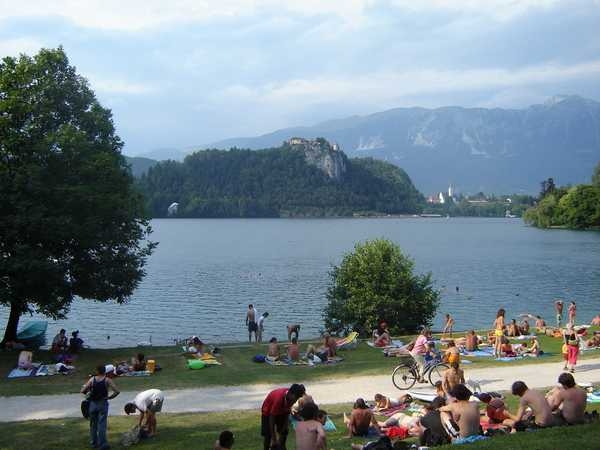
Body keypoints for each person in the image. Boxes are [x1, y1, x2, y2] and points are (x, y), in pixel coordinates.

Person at [81, 365, 120, 450]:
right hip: (102, 403)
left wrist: (89, 392)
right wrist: (109, 397)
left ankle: (94, 443)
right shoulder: (107, 380)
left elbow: (83, 391)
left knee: (93, 425)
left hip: (93, 404)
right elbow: (117, 391)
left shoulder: (92, 379)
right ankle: (102, 444)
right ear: (104, 371)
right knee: (102, 424)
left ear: (97, 371)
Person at [260, 383, 305, 450]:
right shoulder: (279, 399)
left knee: (284, 431)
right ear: (291, 394)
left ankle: (282, 447)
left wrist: (284, 428)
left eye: (297, 398)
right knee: (268, 434)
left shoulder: (290, 398)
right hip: (268, 412)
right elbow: (271, 419)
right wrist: (274, 438)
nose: (295, 401)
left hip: (281, 411)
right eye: (296, 398)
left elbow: (287, 414)